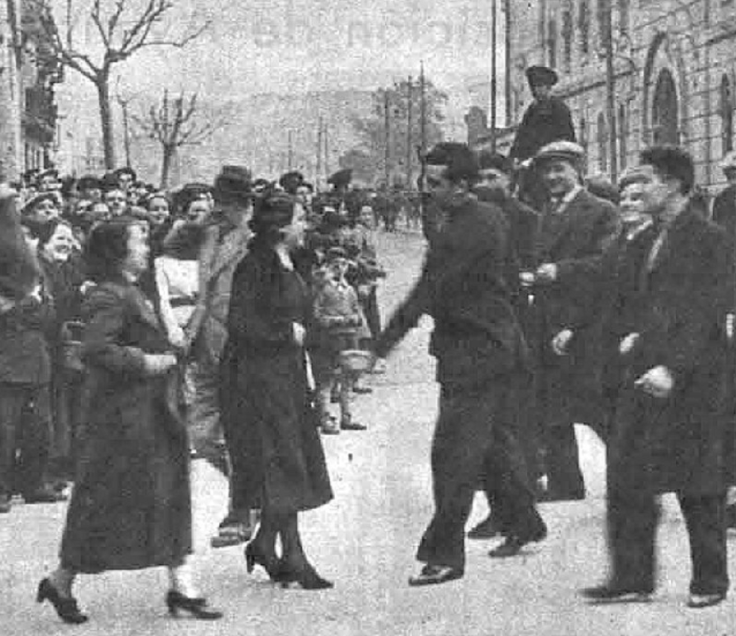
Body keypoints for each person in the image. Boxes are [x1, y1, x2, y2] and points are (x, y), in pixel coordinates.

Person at [372, 142, 546, 586]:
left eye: (435, 184)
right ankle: (523, 520)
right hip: (484, 345)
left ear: (462, 186)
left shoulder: (471, 226)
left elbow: (429, 290)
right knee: (492, 443)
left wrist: (377, 348)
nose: (426, 192)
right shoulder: (470, 218)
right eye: (424, 183)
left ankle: (446, 555)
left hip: (479, 350)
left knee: (452, 453)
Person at [37, 218, 222, 624]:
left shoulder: (131, 290)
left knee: (168, 493)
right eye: (138, 241)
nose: (146, 247)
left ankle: (182, 585)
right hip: (122, 420)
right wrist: (148, 362)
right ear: (118, 251)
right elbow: (95, 349)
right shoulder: (108, 295)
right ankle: (61, 579)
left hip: (151, 413)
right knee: (107, 501)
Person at [582, 146, 733, 609]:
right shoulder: (648, 238)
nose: (636, 188)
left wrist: (673, 367)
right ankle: (631, 575)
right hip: (643, 373)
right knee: (626, 472)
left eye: (645, 180)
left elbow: (705, 313)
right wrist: (632, 336)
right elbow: (642, 301)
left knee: (697, 481)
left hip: (693, 378)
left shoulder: (708, 238)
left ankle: (710, 580)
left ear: (672, 184)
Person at [224, 189, 334, 589]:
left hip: (285, 376)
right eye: (301, 219)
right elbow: (238, 324)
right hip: (256, 379)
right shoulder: (254, 266)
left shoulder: (292, 261)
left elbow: (305, 321)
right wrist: (285, 333)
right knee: (281, 461)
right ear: (282, 227)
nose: (306, 226)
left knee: (286, 460)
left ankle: (267, 544)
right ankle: (294, 556)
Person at [527, 140, 619, 502]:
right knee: (551, 406)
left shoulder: (601, 211)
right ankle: (566, 483)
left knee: (598, 408)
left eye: (559, 169)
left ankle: (638, 476)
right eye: (546, 170)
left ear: (577, 170)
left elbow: (607, 266)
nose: (551, 177)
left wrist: (559, 271)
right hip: (548, 320)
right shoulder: (546, 212)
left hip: (587, 323)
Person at [467, 151, 542, 544]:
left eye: (492, 176)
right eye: (478, 177)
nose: (484, 183)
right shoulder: (471, 219)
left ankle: (518, 510)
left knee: (510, 427)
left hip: (516, 333)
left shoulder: (526, 218)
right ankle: (505, 511)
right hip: (485, 336)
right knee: (490, 431)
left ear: (510, 179)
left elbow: (531, 269)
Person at [311, 246, 367, 434]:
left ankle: (347, 416)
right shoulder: (322, 289)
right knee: (326, 380)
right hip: (329, 339)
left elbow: (359, 314)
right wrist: (337, 320)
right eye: (336, 265)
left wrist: (355, 319)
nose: (340, 269)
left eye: (343, 264)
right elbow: (317, 315)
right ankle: (325, 418)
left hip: (349, 338)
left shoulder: (350, 290)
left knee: (347, 378)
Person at [509, 66, 576, 164]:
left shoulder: (559, 107)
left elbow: (567, 135)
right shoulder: (531, 110)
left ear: (548, 87)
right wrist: (514, 155)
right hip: (532, 157)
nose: (537, 90)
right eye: (535, 87)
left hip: (555, 156)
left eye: (541, 86)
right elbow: (522, 134)